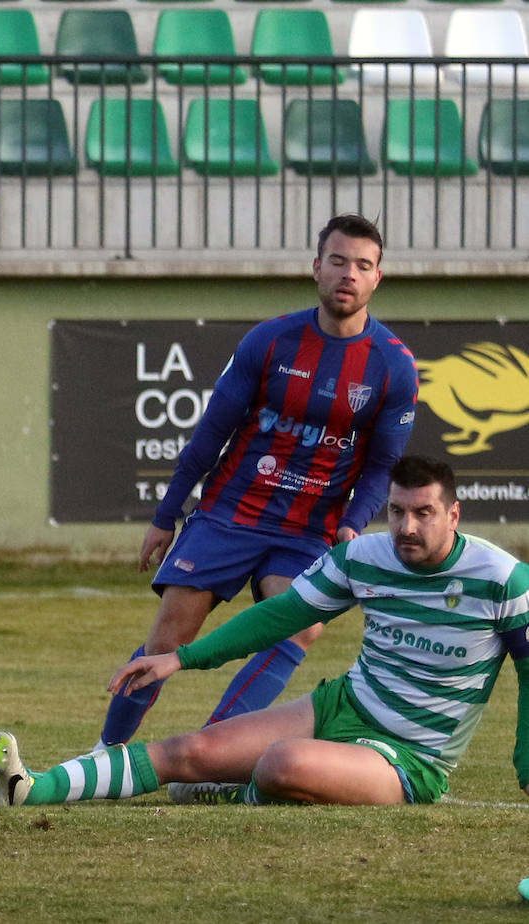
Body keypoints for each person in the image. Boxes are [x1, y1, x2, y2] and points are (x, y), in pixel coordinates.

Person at [0, 455, 529, 809]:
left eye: (424, 513)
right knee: (188, 750)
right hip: (343, 706)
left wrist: (526, 762)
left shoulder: (503, 579)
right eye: (398, 512)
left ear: (454, 514)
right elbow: (278, 616)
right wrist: (181, 659)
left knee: (282, 762)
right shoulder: (363, 557)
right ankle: (27, 789)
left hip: (412, 758)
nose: (407, 527)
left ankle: (239, 791)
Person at [94, 214, 420, 751]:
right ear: (317, 268)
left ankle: (210, 751)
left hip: (307, 529)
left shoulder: (394, 367)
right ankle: (106, 753)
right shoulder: (270, 341)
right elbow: (210, 434)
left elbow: (382, 466)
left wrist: (352, 524)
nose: (349, 274)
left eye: (363, 265)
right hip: (230, 514)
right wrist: (165, 513)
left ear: (377, 278)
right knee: (169, 637)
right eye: (338, 261)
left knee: (300, 625)